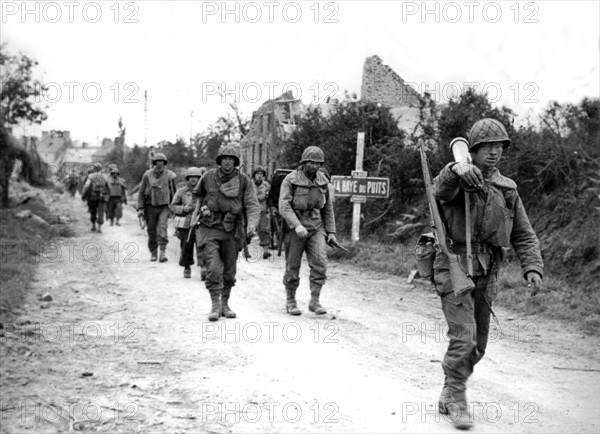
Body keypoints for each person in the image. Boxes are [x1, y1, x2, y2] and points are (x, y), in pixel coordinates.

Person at [431, 118, 543, 429]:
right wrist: (456, 169)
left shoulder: (507, 189)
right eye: (487, 147)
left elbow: (523, 233)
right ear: (475, 149)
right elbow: (441, 188)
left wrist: (532, 267)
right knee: (463, 338)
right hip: (454, 265)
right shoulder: (459, 176)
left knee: (478, 344)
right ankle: (456, 397)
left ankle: (449, 387)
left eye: (499, 147)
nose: (493, 153)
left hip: (487, 270)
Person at [192, 145, 260, 321]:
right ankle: (215, 305)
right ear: (220, 161)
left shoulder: (244, 181)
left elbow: (252, 204)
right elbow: (197, 195)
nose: (227, 161)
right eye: (224, 158)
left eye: (231, 159)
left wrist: (251, 224)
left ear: (235, 162)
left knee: (229, 271)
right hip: (209, 227)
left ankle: (225, 304)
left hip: (231, 229)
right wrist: (201, 209)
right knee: (213, 268)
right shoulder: (208, 177)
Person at [279, 146, 337, 316]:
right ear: (303, 162)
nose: (315, 166)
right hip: (295, 227)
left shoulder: (323, 181)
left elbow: (328, 208)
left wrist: (331, 232)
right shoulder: (291, 180)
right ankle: (290, 300)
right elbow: (284, 206)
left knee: (320, 262)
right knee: (293, 265)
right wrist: (297, 225)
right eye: (311, 162)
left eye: (318, 163)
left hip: (317, 227)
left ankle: (315, 301)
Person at [136, 153, 177, 262]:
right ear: (154, 163)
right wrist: (140, 208)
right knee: (151, 230)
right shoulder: (147, 175)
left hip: (164, 206)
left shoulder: (169, 175)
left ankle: (162, 253)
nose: (160, 164)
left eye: (162, 162)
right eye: (157, 162)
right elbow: (141, 192)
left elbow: (174, 192)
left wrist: (175, 207)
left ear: (165, 163)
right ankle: (153, 252)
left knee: (162, 229)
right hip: (150, 207)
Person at [170, 166, 207, 279]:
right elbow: (172, 206)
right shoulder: (181, 192)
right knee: (186, 246)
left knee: (203, 246)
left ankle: (203, 267)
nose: (193, 180)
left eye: (196, 177)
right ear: (187, 178)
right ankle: (187, 267)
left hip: (201, 222)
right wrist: (183, 209)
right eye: (191, 177)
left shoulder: (205, 191)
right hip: (186, 223)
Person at [81, 162, 109, 233]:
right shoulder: (104, 177)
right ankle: (99, 228)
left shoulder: (90, 176)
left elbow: (86, 186)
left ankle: (93, 226)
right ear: (100, 169)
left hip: (92, 197)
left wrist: (83, 195)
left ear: (94, 168)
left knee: (92, 211)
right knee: (101, 212)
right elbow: (108, 187)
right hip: (101, 197)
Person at [252, 165, 272, 259]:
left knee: (264, 229)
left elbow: (270, 197)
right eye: (257, 174)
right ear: (254, 175)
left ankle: (266, 250)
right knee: (247, 230)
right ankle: (243, 248)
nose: (259, 176)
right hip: (251, 211)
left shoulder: (266, 185)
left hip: (263, 210)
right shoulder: (249, 184)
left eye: (261, 174)